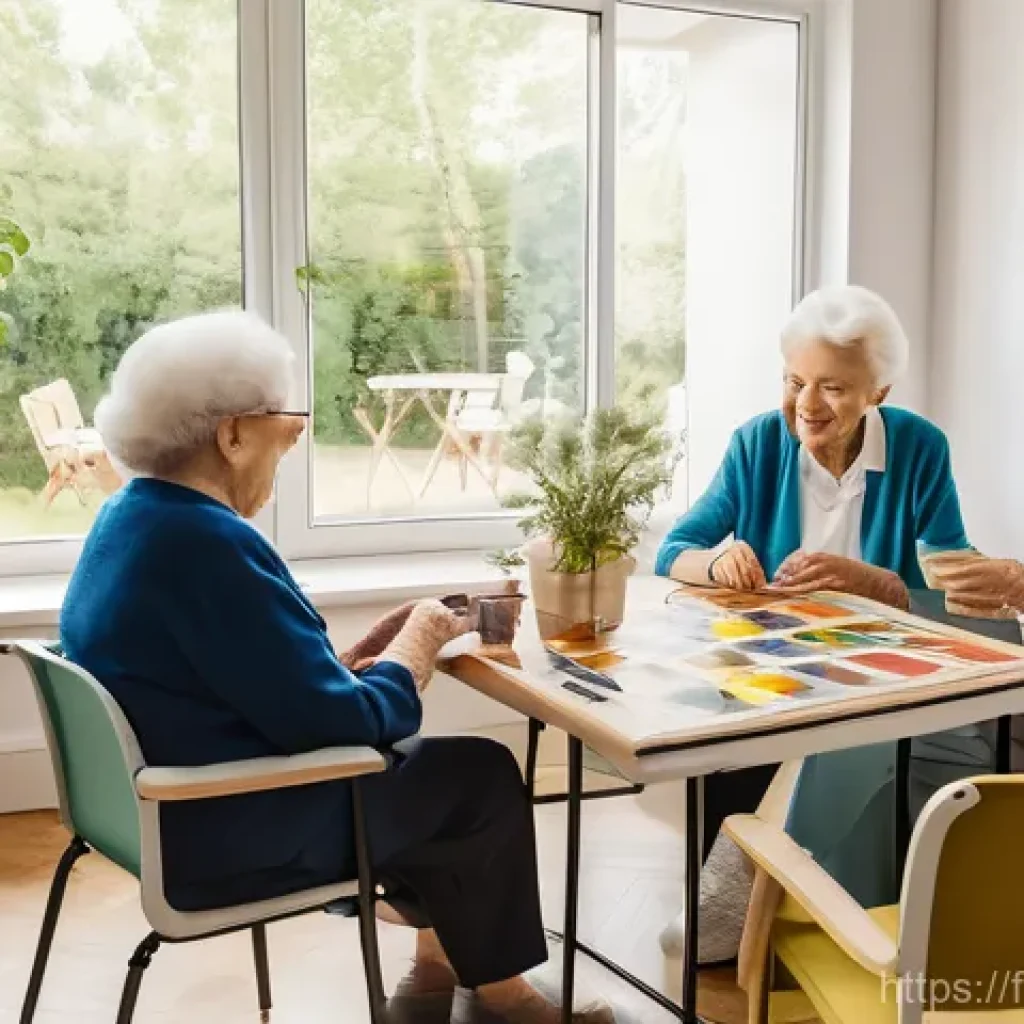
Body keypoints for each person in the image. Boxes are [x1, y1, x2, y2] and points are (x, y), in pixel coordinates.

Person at [60, 311, 632, 1024]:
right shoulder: (206, 546)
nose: (286, 458)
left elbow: (243, 676)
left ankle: (436, 970)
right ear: (232, 435)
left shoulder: (133, 519)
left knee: (427, 779)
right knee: (473, 777)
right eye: (284, 437)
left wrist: (365, 656)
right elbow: (350, 727)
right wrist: (417, 645)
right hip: (227, 834)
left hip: (163, 815)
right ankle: (502, 996)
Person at [655, 284, 984, 920]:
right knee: (733, 729)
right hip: (769, 666)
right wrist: (717, 561)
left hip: (880, 670)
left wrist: (881, 585)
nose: (805, 404)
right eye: (794, 379)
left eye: (832, 387)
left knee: (867, 738)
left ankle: (774, 907)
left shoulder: (920, 449)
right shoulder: (757, 443)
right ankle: (737, 906)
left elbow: (955, 581)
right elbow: (675, 550)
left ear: (877, 393)